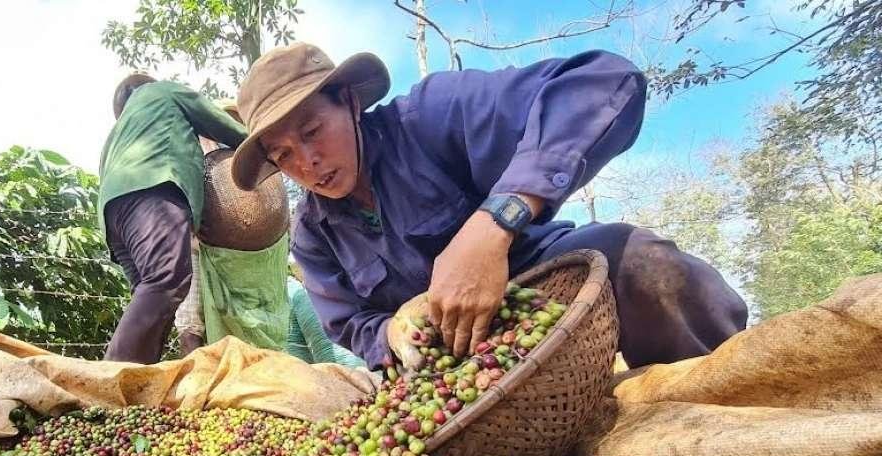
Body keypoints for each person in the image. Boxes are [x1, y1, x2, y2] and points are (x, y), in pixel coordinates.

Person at [230, 43, 748, 370]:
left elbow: (605, 83)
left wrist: (494, 224)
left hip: (549, 294)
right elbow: (348, 323)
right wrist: (390, 331)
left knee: (644, 262)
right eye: (283, 154)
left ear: (349, 101)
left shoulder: (432, 116)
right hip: (451, 363)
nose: (309, 162)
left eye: (313, 131)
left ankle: (730, 398)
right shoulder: (313, 237)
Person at [98, 74, 247, 363]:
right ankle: (109, 380)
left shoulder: (114, 137)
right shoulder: (162, 92)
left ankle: (137, 388)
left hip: (114, 220)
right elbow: (218, 122)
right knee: (167, 279)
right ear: (145, 85)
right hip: (152, 192)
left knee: (156, 303)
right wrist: (260, 146)